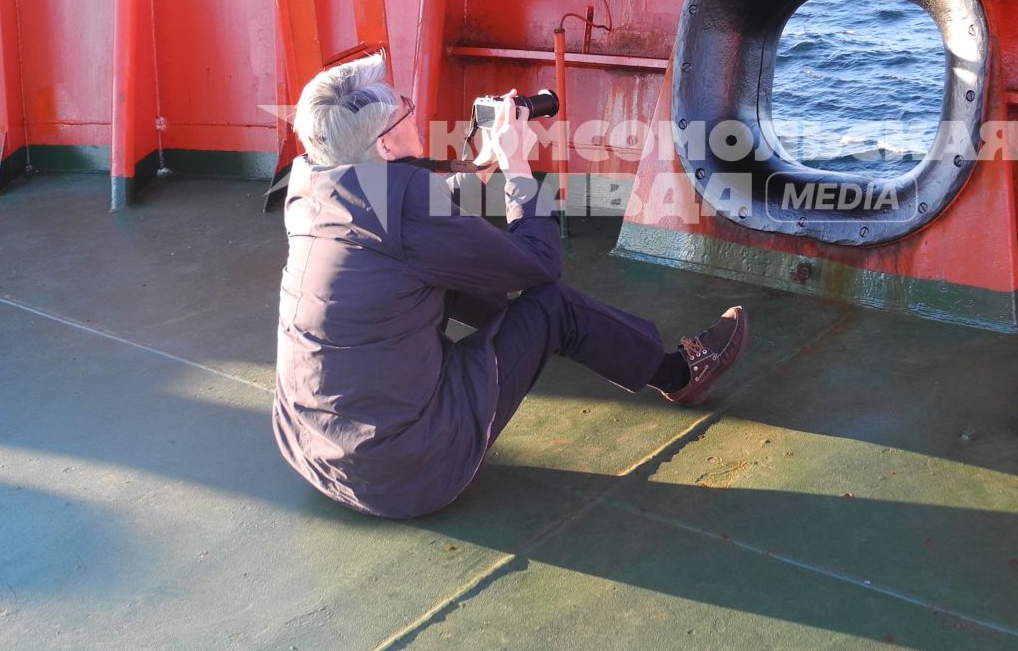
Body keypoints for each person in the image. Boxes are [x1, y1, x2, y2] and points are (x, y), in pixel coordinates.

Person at [272, 54, 749, 519]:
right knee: (550, 306)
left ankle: (538, 344)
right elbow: (540, 265)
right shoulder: (405, 206)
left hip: (315, 450)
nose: (415, 111)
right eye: (405, 110)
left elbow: (409, 214)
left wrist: (483, 163)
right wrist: (518, 164)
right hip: (407, 471)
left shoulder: (315, 188)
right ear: (386, 148)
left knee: (454, 279)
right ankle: (681, 376)